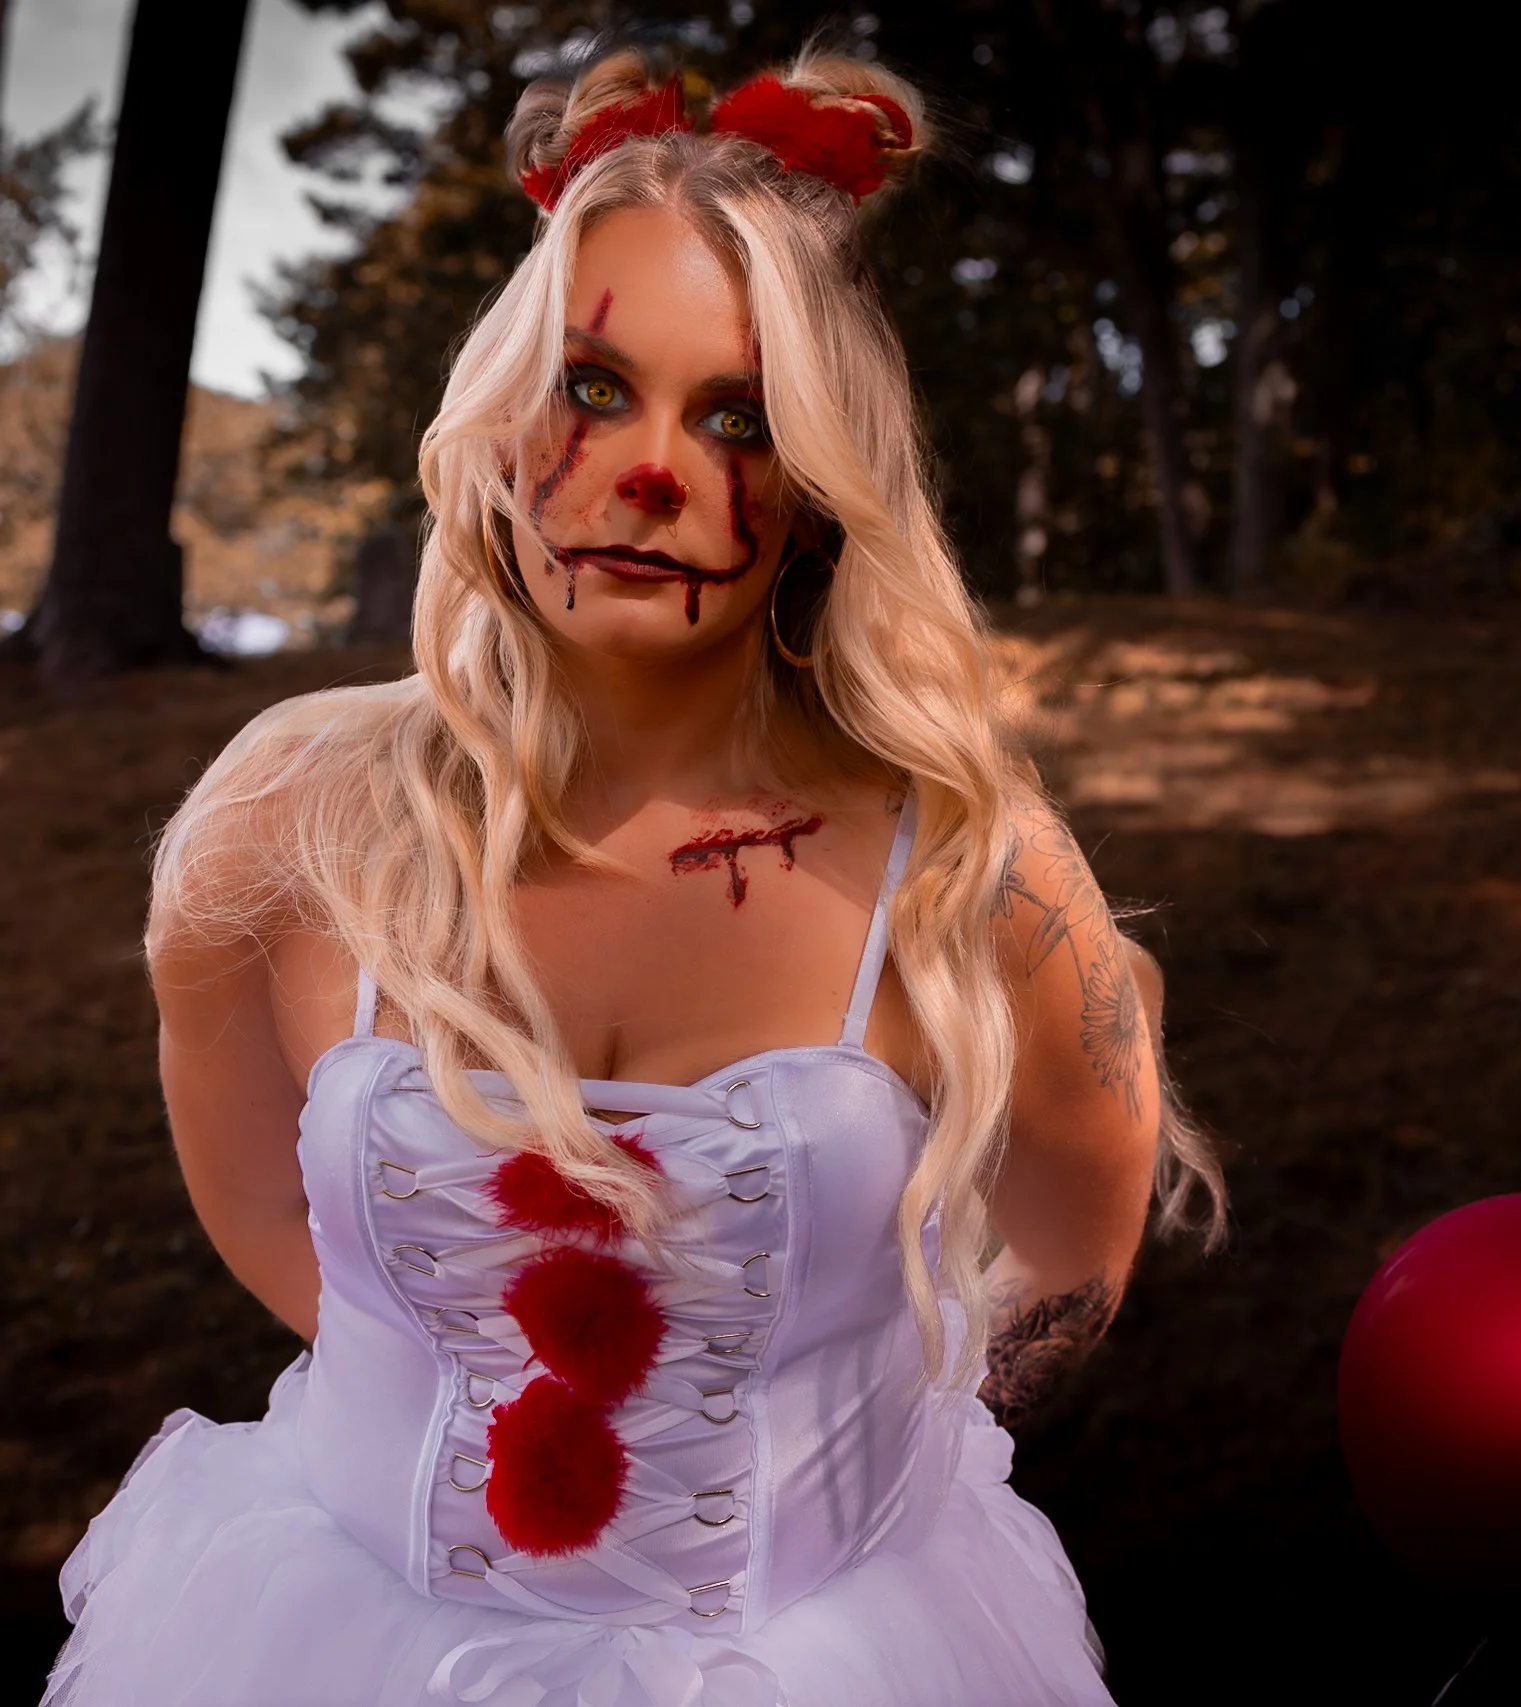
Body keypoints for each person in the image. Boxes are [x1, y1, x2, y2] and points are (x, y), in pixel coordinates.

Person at [43, 33, 1223, 1707]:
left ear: (815, 494)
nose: (651, 470)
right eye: (593, 387)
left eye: (735, 417)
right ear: (500, 412)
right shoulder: (282, 823)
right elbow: (265, 1213)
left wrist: (858, 1460)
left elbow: (1072, 1250)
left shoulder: (970, 865)